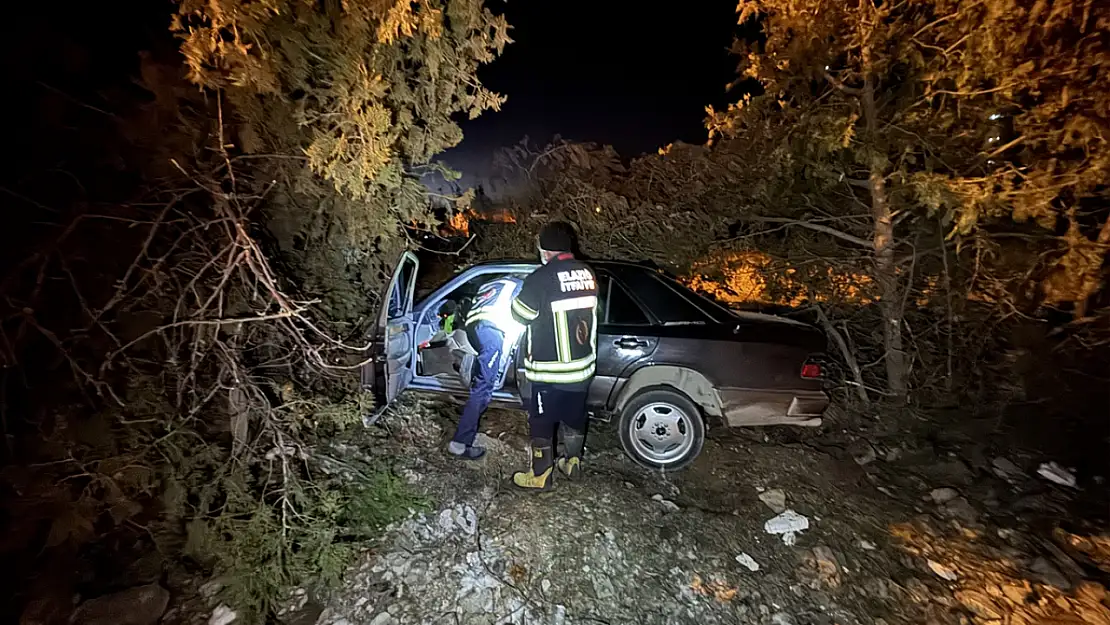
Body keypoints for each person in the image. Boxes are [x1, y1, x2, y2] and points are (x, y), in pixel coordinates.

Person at [509, 221, 598, 490]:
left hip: (549, 370)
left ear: (544, 250)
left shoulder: (540, 278)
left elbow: (519, 315)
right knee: (574, 415)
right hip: (582, 369)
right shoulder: (586, 272)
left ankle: (541, 475)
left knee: (541, 420)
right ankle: (572, 462)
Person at [447, 275, 523, 460]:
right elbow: (525, 314)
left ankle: (481, 376)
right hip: (491, 331)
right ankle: (459, 444)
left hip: (476, 329)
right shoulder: (521, 285)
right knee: (482, 388)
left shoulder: (495, 281)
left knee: (484, 383)